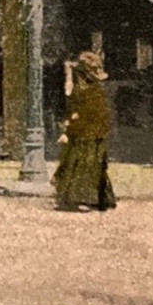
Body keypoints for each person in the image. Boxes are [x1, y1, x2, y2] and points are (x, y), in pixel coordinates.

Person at [53, 51, 116, 212]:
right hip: (90, 128)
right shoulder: (89, 87)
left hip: (89, 128)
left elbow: (72, 97)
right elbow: (70, 95)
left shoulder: (89, 88)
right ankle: (94, 198)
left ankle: (85, 197)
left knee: (86, 162)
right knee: (90, 162)